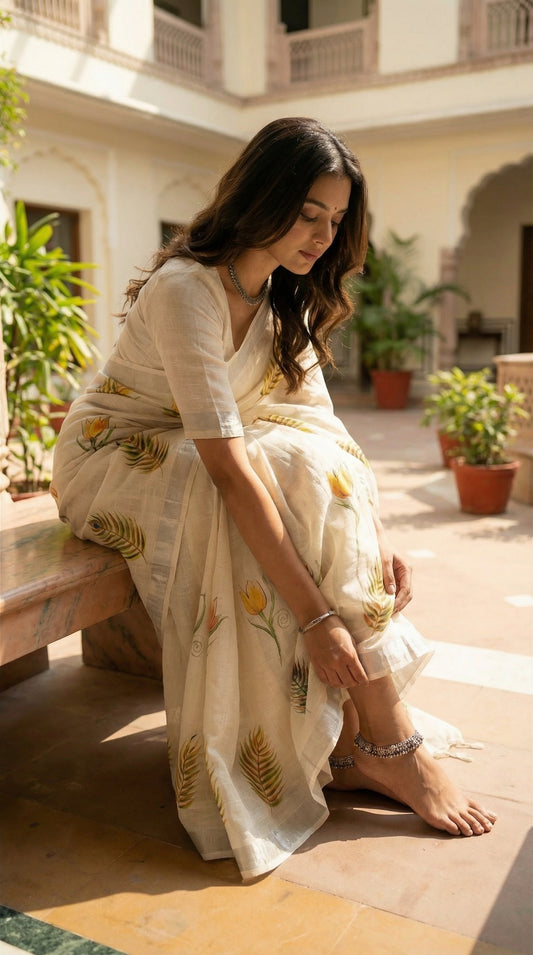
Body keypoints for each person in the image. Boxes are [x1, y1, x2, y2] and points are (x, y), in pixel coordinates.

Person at [51, 117, 496, 880]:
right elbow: (228, 468)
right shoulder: (186, 288)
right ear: (261, 196)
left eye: (334, 220)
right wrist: (319, 619)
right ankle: (390, 745)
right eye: (307, 213)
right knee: (260, 472)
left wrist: (374, 530)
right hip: (113, 455)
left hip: (205, 450)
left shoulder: (283, 294)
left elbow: (323, 426)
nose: (321, 236)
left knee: (302, 457)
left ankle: (367, 737)